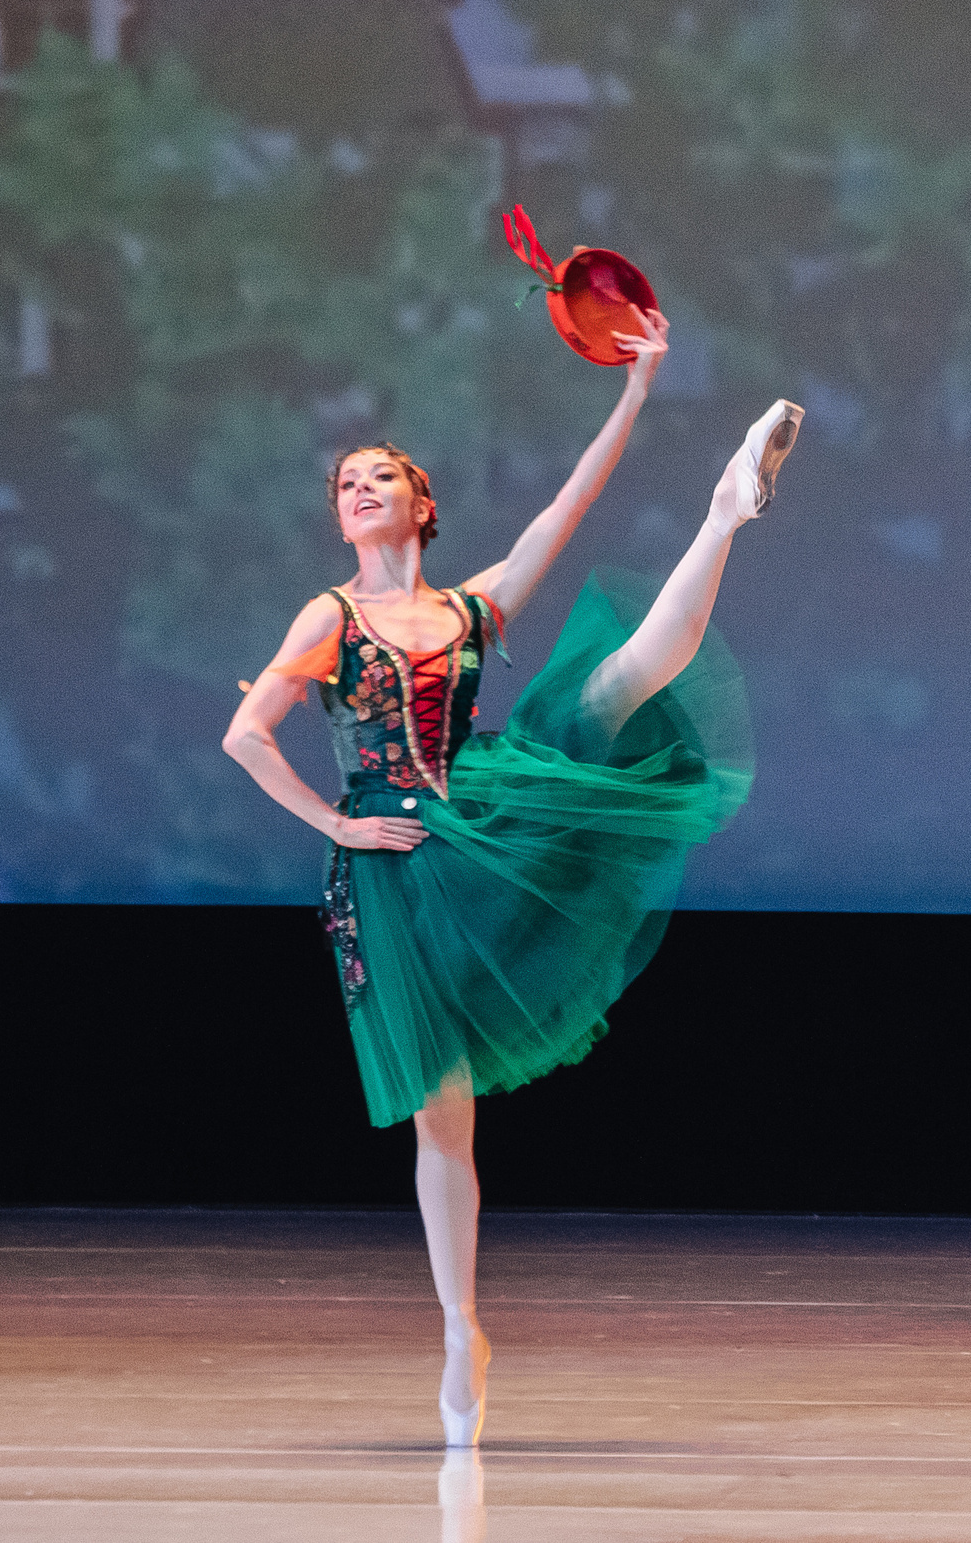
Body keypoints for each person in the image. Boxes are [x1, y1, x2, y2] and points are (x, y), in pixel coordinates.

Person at [222, 310, 803, 1447]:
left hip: (483, 814)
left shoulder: (465, 608)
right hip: (391, 872)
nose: (360, 489)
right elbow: (248, 732)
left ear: (421, 503)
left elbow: (564, 509)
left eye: (380, 476)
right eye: (346, 482)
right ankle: (460, 1331)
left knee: (614, 685)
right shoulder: (332, 614)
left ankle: (726, 507)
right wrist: (335, 821)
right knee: (445, 1117)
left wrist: (635, 390)